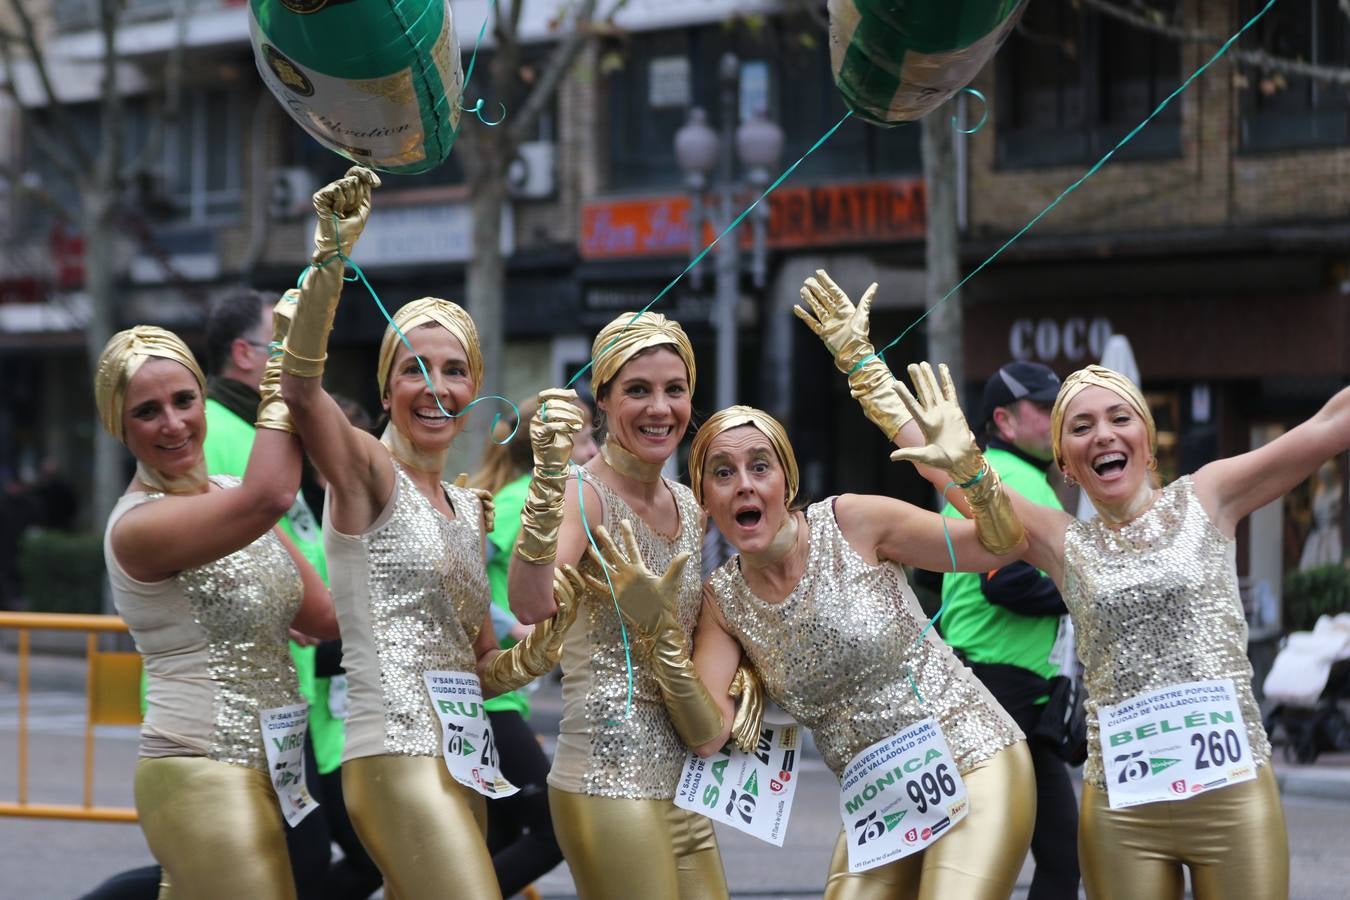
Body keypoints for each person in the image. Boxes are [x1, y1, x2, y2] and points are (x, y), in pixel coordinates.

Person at [279, 166, 582, 900]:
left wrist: (539, 649)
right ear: (387, 387)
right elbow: (299, 390)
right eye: (414, 369)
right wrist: (329, 261)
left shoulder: (468, 507)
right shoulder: (367, 471)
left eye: (453, 370)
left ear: (473, 388)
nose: (435, 387)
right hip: (392, 756)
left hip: (465, 755)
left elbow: (482, 665)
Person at [604, 400, 1034, 900]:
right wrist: (661, 639)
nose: (744, 483)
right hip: (881, 799)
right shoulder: (723, 601)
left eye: (760, 466)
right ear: (704, 499)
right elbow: (707, 737)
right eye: (723, 472)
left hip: (971, 756)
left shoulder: (852, 523)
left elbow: (1002, 547)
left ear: (786, 482)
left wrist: (968, 471)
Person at [996, 364, 1350, 900]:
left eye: (1120, 417)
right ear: (1065, 461)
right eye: (1082, 426)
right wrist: (866, 373)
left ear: (1146, 438)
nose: (1104, 435)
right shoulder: (1060, 540)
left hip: (1232, 798)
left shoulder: (1207, 496)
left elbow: (1330, 424)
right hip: (1121, 810)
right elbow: (963, 479)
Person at [95, 322, 337, 900]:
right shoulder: (138, 525)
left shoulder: (231, 491)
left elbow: (324, 618)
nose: (174, 423)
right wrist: (290, 369)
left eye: (184, 400)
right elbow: (273, 495)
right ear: (118, 425)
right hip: (199, 764)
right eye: (147, 411)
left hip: (281, 760)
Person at [506, 312, 732, 900]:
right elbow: (530, 604)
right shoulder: (586, 493)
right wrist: (548, 485)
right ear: (602, 399)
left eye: (674, 390)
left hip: (683, 778)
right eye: (638, 390)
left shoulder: (687, 501)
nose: (660, 408)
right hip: (607, 774)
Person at [201, 286, 345, 899]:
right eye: (282, 343)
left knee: (284, 860)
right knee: (285, 859)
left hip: (291, 685)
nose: (298, 357)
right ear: (244, 352)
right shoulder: (212, 428)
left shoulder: (264, 427)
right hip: (234, 695)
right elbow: (204, 542)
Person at [938, 362, 1081, 900]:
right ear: (1002, 418)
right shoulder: (1007, 479)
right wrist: (1085, 594)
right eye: (1042, 410)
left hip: (1002, 686)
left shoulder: (999, 475)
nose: (1054, 421)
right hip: (998, 687)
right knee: (1018, 855)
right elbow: (1008, 583)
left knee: (1056, 851)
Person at [467, 397, 568, 896]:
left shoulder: (535, 496)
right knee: (553, 830)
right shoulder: (523, 499)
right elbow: (461, 569)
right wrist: (513, 628)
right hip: (492, 697)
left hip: (503, 696)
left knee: (501, 833)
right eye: (587, 435)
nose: (594, 446)